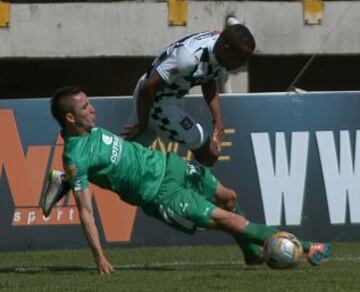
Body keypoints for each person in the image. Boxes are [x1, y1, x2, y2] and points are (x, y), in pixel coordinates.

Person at [42, 86, 331, 275]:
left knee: (229, 198)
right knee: (229, 221)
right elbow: (85, 212)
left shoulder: (89, 131)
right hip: (160, 195)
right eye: (84, 108)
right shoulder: (76, 158)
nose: (92, 109)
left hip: (170, 165)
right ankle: (306, 247)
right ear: (70, 118)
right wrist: (99, 259)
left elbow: (112, 155)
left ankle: (252, 255)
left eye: (90, 104)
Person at [122, 23, 255, 167]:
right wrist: (142, 122)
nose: (242, 64)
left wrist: (217, 119)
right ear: (226, 49)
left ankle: (102, 160)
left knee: (130, 152)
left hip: (167, 98)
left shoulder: (220, 47)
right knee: (209, 154)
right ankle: (184, 186)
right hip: (156, 100)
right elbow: (148, 86)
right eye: (241, 59)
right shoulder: (188, 58)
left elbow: (208, 79)